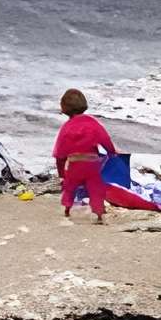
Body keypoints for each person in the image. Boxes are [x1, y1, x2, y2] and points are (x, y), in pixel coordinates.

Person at [53, 88, 121, 223]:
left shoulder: (67, 127)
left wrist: (62, 174)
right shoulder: (93, 123)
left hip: (75, 164)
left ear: (64, 108)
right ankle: (99, 213)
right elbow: (105, 140)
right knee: (96, 188)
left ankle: (67, 209)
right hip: (92, 164)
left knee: (69, 187)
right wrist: (112, 153)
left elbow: (60, 154)